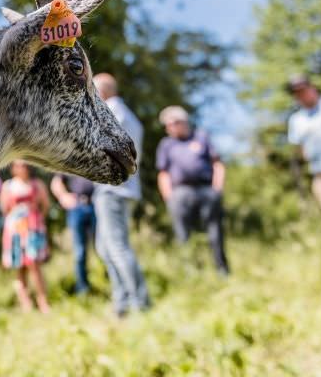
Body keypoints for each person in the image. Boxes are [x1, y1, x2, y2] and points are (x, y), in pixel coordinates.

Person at [93, 73, 150, 317]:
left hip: (112, 190)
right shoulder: (131, 117)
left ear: (103, 91)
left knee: (116, 247)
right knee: (106, 248)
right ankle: (122, 301)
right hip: (120, 189)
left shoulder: (114, 113)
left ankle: (139, 302)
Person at [156, 105, 229, 274]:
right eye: (167, 125)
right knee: (183, 235)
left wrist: (217, 189)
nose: (169, 127)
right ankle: (193, 273)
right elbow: (163, 173)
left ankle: (222, 271)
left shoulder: (201, 137)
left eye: (172, 123)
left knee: (215, 233)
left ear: (183, 121)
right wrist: (169, 197)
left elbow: (217, 164)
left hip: (206, 190)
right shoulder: (166, 144)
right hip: (180, 193)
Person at [0, 161, 51, 313]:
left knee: (34, 264)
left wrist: (36, 220)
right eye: (18, 164)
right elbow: (4, 209)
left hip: (33, 228)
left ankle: (43, 301)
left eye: (24, 164)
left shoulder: (37, 184)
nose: (21, 167)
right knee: (20, 267)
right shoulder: (7, 186)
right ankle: (25, 303)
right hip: (15, 230)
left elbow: (45, 205)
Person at [287, 75, 321, 225]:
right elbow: (300, 148)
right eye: (297, 93)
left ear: (312, 88)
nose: (302, 95)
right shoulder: (296, 120)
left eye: (304, 90)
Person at [51, 174, 95, 294]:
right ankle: (83, 289)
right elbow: (56, 181)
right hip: (78, 206)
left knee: (103, 248)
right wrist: (63, 196)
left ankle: (112, 286)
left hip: (97, 204)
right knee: (80, 251)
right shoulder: (74, 156)